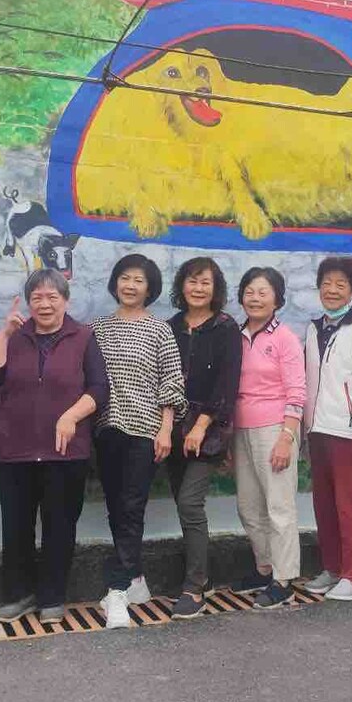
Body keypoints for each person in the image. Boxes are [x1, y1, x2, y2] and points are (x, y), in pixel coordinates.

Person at [0, 269, 109, 626]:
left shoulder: (83, 337)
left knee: (59, 525)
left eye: (52, 297)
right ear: (28, 302)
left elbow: (99, 389)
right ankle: (19, 594)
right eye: (37, 297)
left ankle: (52, 595)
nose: (44, 304)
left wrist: (71, 416)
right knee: (15, 526)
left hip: (66, 451)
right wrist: (4, 333)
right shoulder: (16, 337)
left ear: (66, 300)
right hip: (16, 449)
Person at [90, 254, 187, 629]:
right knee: (118, 508)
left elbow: (172, 383)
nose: (130, 285)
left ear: (150, 288)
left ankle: (117, 593)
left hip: (145, 431)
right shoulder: (97, 328)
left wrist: (165, 430)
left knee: (131, 507)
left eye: (139, 280)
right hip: (106, 430)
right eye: (125, 278)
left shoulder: (160, 330)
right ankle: (137, 581)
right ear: (115, 282)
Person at [166, 258, 241, 619]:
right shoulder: (170, 327)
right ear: (182, 286)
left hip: (207, 429)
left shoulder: (226, 329)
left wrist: (200, 426)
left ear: (216, 289)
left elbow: (227, 384)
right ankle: (200, 576)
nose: (198, 288)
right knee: (183, 500)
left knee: (190, 503)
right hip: (171, 425)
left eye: (206, 283)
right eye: (193, 281)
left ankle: (194, 588)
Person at [302, 257, 352, 602]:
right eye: (327, 283)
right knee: (323, 503)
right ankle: (333, 568)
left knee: (349, 505)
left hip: (347, 430)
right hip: (316, 428)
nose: (332, 290)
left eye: (340, 284)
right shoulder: (313, 327)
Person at [232, 266, 305, 610]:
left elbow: (296, 391)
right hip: (241, 429)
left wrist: (286, 437)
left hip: (275, 429)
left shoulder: (284, 337)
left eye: (263, 292)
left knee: (279, 507)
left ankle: (284, 579)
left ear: (277, 298)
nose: (255, 298)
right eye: (250, 291)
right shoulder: (236, 334)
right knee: (248, 506)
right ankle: (264, 568)